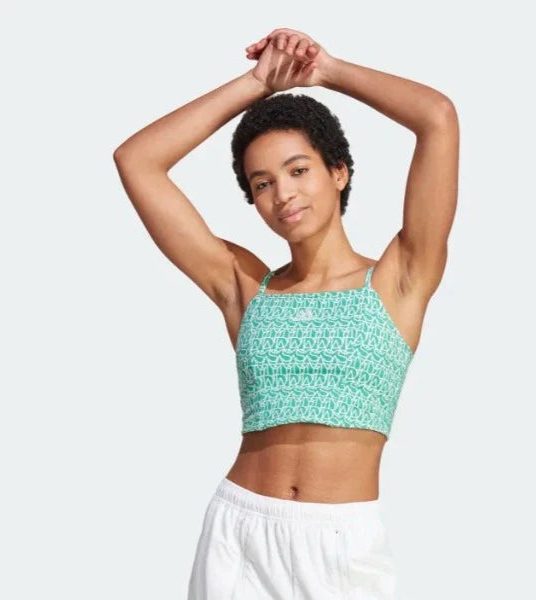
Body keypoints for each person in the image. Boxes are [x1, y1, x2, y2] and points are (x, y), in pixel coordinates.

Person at [113, 27, 459, 600]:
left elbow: (437, 118)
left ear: (339, 171)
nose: (283, 195)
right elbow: (137, 160)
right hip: (237, 532)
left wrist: (327, 71)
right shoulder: (246, 287)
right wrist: (257, 83)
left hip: (342, 542)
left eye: (299, 170)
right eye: (263, 183)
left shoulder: (400, 279)